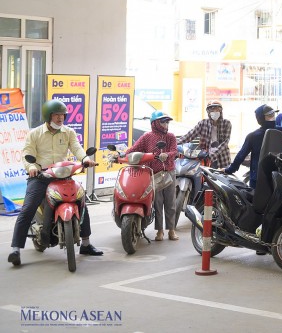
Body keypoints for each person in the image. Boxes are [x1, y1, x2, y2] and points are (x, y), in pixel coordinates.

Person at [8, 99, 104, 266]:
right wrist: (31, 166)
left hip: (62, 175)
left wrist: (85, 159)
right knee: (28, 208)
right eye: (57, 115)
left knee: (81, 202)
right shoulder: (35, 134)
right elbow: (27, 154)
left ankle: (86, 244)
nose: (61, 118)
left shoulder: (68, 132)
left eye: (62, 115)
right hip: (40, 176)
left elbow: (76, 147)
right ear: (48, 116)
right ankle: (16, 249)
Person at [125, 110, 179, 241]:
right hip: (154, 174)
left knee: (170, 203)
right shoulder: (147, 137)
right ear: (155, 123)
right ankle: (160, 231)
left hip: (169, 173)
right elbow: (134, 149)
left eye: (167, 122)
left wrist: (168, 155)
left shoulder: (170, 136)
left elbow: (174, 150)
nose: (166, 124)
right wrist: (121, 155)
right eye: (163, 122)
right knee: (158, 203)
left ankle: (171, 230)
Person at [178, 101, 232, 169]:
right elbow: (189, 135)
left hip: (223, 158)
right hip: (206, 158)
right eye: (212, 110)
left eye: (217, 110)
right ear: (208, 112)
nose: (215, 112)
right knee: (205, 178)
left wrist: (212, 155)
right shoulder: (203, 123)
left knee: (224, 178)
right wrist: (174, 143)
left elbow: (225, 142)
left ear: (221, 111)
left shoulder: (226, 123)